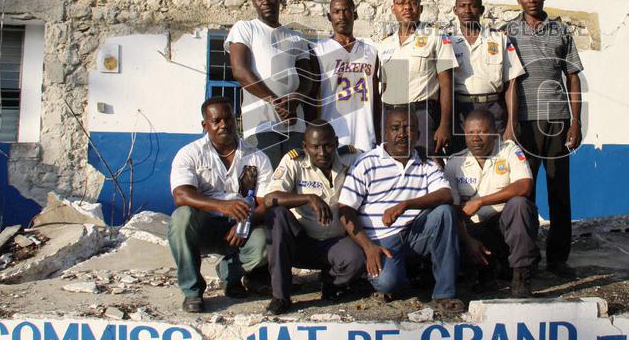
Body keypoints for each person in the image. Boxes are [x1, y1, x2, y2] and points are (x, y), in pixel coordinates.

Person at [337, 107, 465, 312]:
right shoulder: (366, 163)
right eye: (395, 128)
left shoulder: (426, 163)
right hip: (381, 241)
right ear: (385, 133)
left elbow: (446, 194)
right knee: (389, 283)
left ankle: (444, 293)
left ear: (418, 135)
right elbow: (345, 210)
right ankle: (388, 276)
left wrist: (406, 205)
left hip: (415, 235)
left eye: (409, 128)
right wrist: (368, 246)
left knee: (444, 213)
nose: (402, 134)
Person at [503, 0, 583, 279]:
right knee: (525, 192)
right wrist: (509, 124)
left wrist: (576, 122)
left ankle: (558, 259)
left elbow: (572, 77)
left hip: (557, 121)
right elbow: (506, 81)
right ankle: (528, 258)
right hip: (523, 123)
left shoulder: (561, 31)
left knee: (559, 191)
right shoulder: (508, 32)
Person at [167, 97, 273, 313]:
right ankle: (192, 292)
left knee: (264, 244)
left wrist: (247, 220)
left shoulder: (257, 157)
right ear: (205, 125)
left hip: (241, 227)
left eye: (228, 119)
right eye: (216, 121)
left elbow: (265, 202)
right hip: (205, 225)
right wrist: (221, 206)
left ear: (236, 121)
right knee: (180, 218)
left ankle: (229, 274)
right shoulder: (190, 153)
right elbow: (181, 194)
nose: (223, 124)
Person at [259, 120, 367, 314]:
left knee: (356, 260)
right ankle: (281, 297)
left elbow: (379, 164)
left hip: (336, 241)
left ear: (336, 142)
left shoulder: (352, 157)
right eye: (315, 147)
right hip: (301, 242)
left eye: (328, 145)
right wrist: (308, 198)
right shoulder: (293, 161)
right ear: (304, 146)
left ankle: (331, 283)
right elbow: (269, 198)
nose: (322, 152)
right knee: (276, 214)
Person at [445, 109, 538, 296]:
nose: (475, 138)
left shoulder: (510, 151)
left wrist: (480, 201)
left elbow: (524, 185)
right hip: (474, 235)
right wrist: (468, 240)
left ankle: (521, 276)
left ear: (494, 132)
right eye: (470, 133)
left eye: (481, 132)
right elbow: (453, 209)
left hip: (505, 229)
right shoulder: (455, 163)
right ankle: (486, 273)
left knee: (519, 204)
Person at [226, 0, 317, 168]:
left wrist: (295, 101)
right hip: (262, 123)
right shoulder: (245, 28)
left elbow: (307, 78)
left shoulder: (296, 37)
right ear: (254, 2)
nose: (266, 1)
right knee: (267, 182)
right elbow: (240, 71)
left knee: (295, 179)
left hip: (294, 122)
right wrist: (275, 102)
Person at [376, 0, 457, 155]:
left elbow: (446, 84)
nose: (407, 7)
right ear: (393, 9)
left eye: (413, 3)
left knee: (424, 162)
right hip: (390, 115)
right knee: (391, 165)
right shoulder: (385, 44)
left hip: (421, 115)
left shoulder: (436, 37)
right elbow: (382, 87)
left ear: (420, 9)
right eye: (402, 3)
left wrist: (445, 125)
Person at [448, 0, 525, 152]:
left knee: (498, 158)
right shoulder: (447, 42)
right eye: (462, 6)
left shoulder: (499, 40)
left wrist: (512, 122)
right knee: (462, 161)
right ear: (455, 10)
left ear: (481, 10)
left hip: (493, 109)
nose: (467, 11)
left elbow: (511, 84)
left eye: (473, 6)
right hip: (460, 111)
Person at [311, 0, 380, 151]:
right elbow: (311, 99)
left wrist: (379, 135)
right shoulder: (318, 50)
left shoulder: (371, 51)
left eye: (347, 11)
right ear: (329, 16)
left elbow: (376, 97)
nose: (342, 16)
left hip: (365, 136)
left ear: (354, 14)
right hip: (331, 137)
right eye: (336, 11)